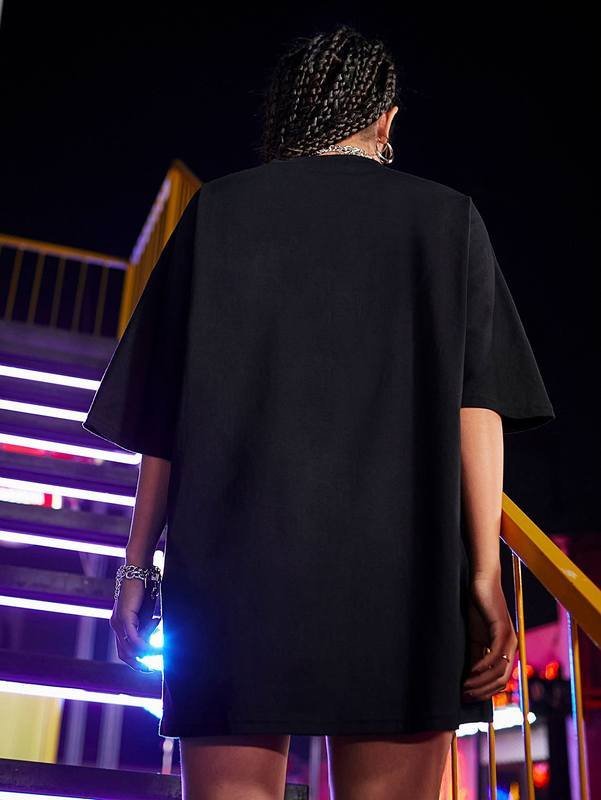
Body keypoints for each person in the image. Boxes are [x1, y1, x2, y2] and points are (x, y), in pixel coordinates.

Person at [82, 23, 555, 800]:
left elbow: (163, 419)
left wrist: (136, 568)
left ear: (289, 112)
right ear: (385, 119)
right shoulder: (446, 219)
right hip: (400, 571)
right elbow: (477, 407)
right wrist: (482, 574)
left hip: (232, 565)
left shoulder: (218, 211)